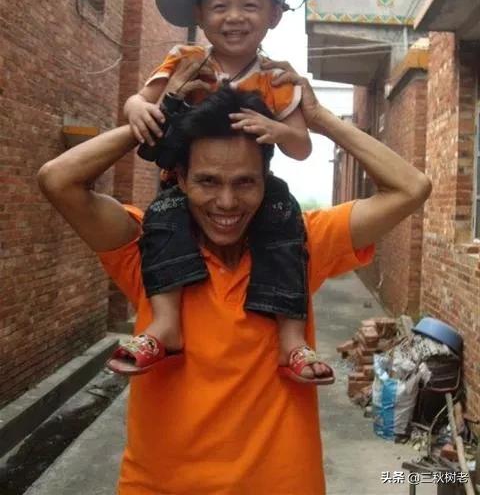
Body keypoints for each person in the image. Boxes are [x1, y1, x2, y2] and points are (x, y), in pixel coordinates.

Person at [38, 69, 431, 495]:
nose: (226, 202)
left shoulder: (299, 245)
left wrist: (320, 119)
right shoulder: (148, 249)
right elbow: (58, 180)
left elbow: (411, 188)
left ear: (267, 183)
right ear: (181, 179)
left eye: (245, 182)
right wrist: (157, 120)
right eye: (207, 181)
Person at [109, 0, 333, 384]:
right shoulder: (185, 60)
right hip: (185, 184)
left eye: (249, 6)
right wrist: (136, 108)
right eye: (219, 6)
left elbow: (301, 147)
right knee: (161, 224)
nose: (234, 17)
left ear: (274, 14)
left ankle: (291, 339)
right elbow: (140, 101)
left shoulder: (276, 79)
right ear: (199, 12)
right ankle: (165, 324)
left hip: (254, 188)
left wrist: (275, 128)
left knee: (287, 235)